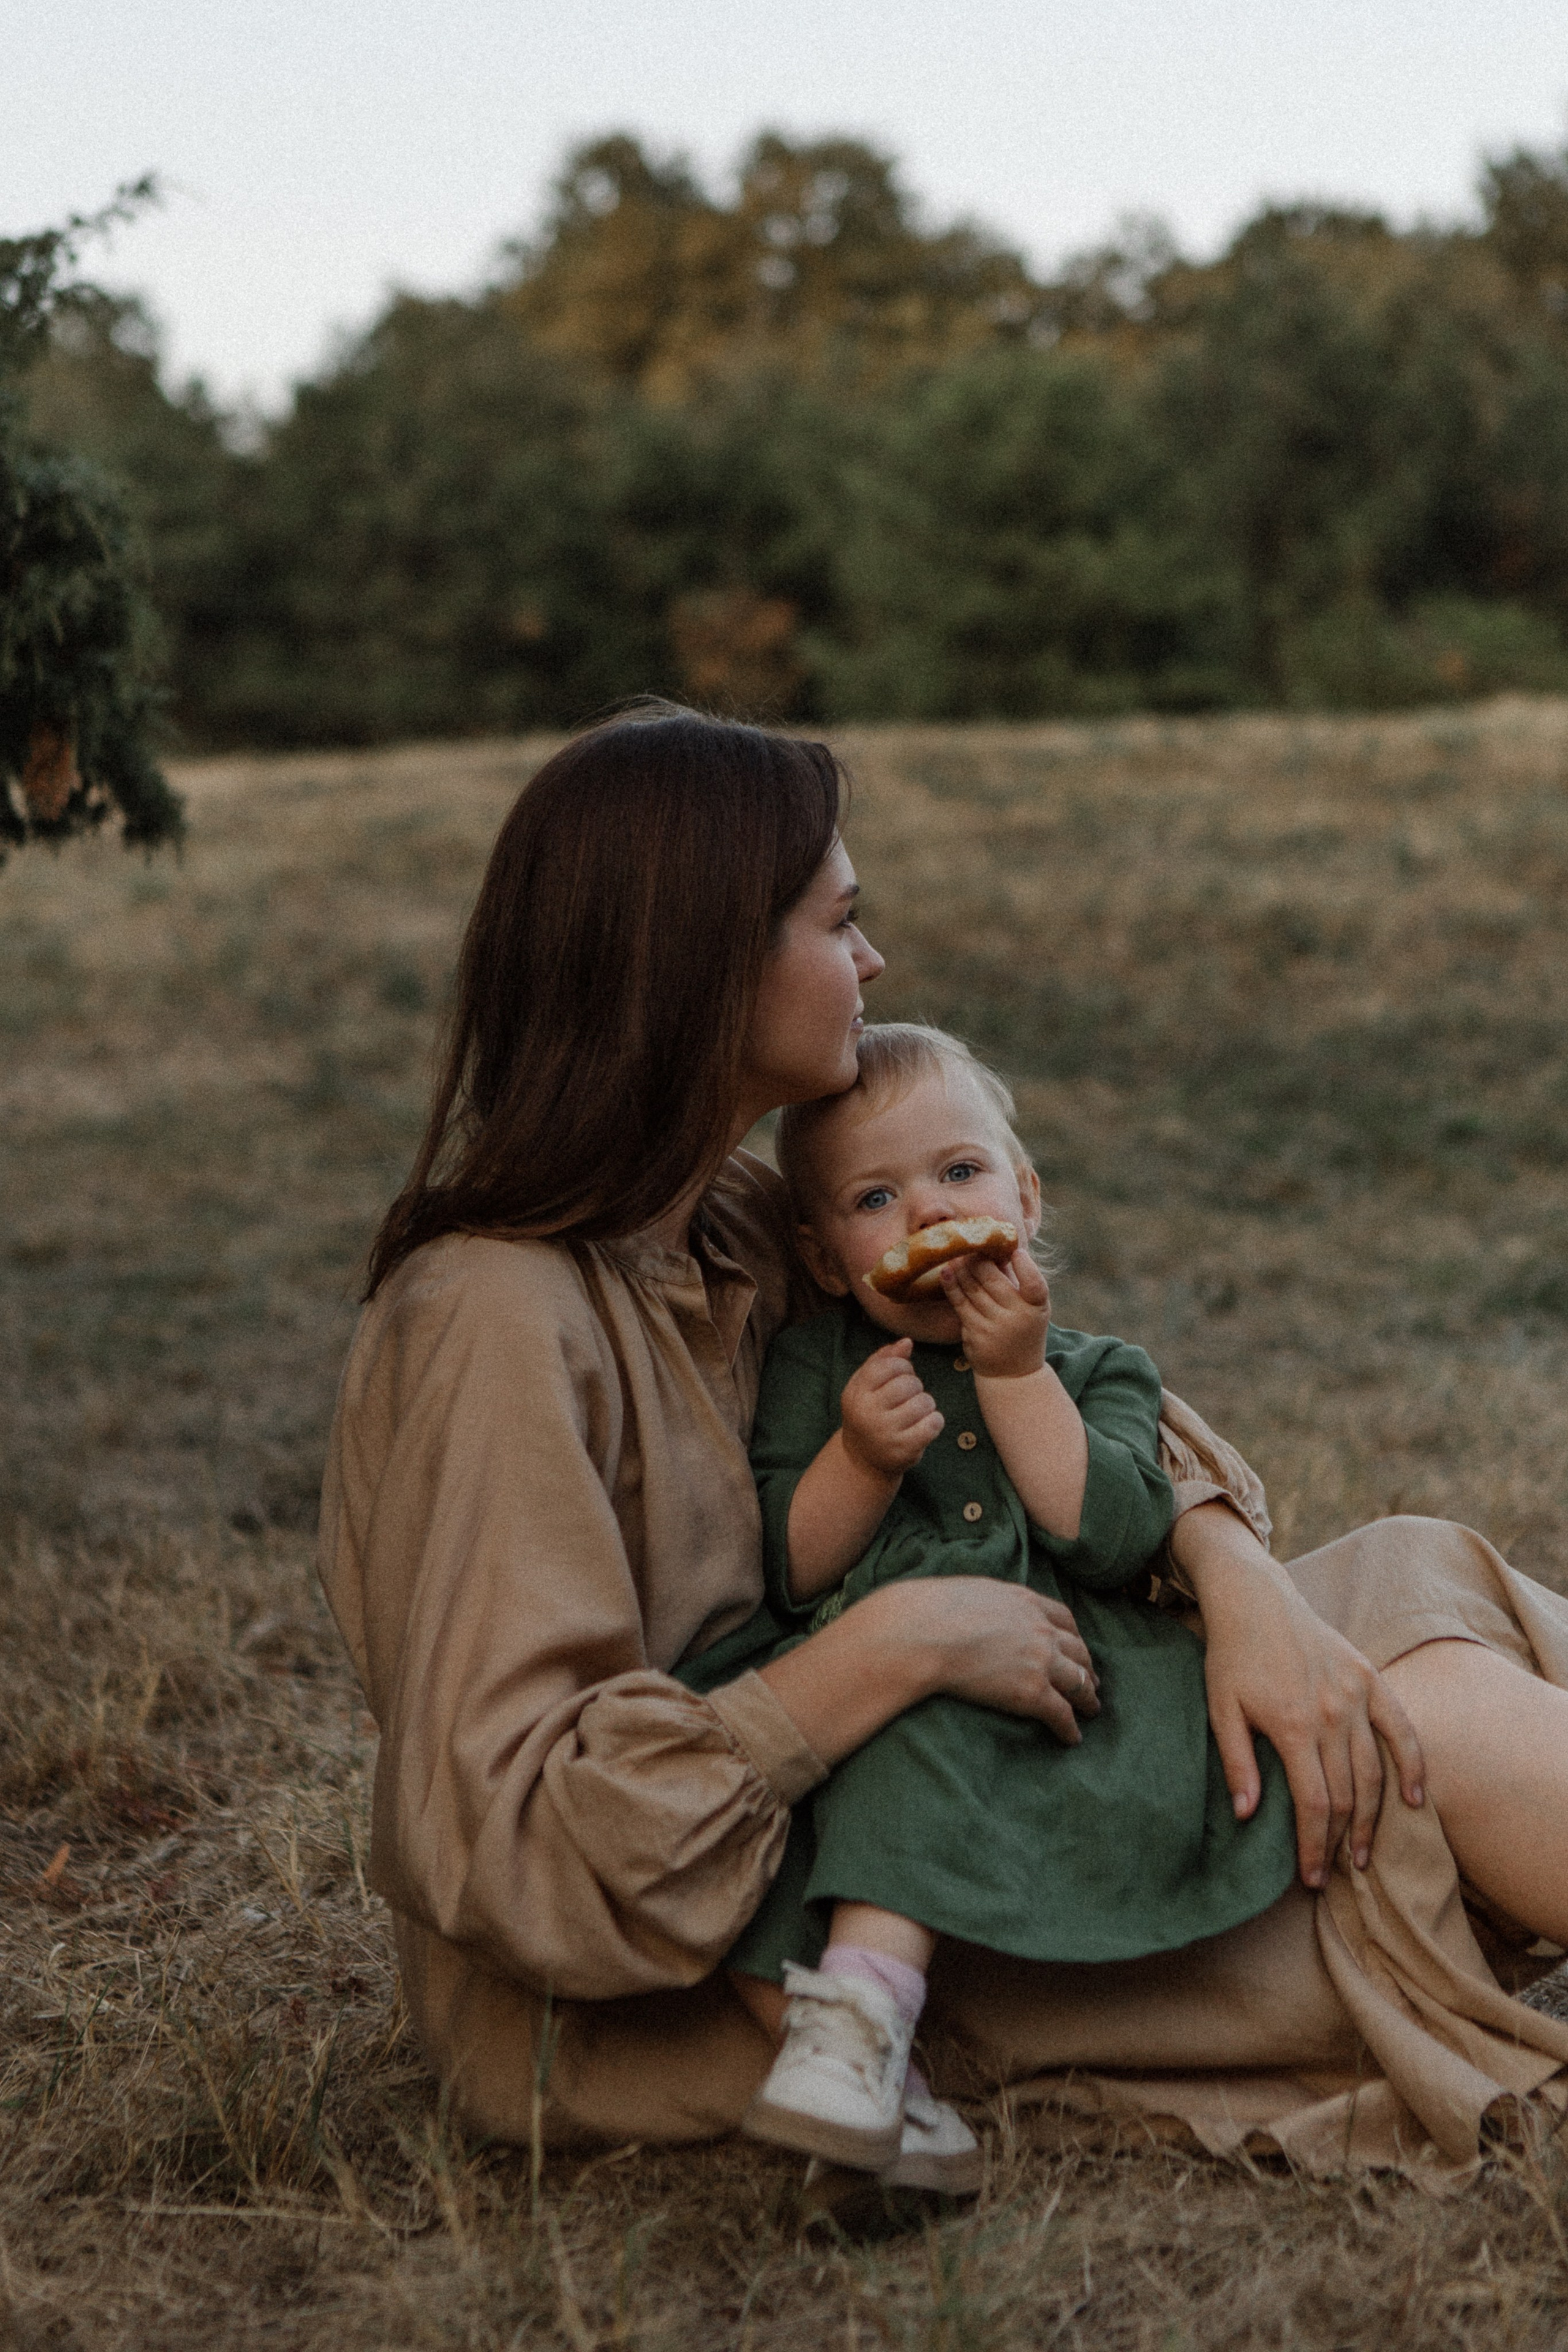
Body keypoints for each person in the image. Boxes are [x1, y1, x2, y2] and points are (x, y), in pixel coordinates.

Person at [317, 704, 1568, 2193]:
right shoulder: (492, 1318)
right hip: (748, 1937)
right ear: (705, 963)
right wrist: (893, 1647)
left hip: (929, 1770)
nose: (873, 964)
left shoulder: (731, 1229)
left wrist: (1238, 1586)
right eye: (839, 923)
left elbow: (1040, 1394)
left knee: (1396, 1586)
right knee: (1428, 1739)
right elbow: (509, 1840)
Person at [684, 1024, 1299, 2184]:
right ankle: (881, 2095)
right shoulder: (821, 1374)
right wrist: (858, 1463)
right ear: (823, 1261)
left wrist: (1016, 1379)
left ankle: (859, 2037)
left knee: (950, 1734)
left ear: (1023, 1193)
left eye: (959, 1175)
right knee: (764, 1838)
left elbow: (1114, 1539)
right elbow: (792, 1569)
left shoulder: (1097, 1369)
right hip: (881, 1675)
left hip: (1055, 1675)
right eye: (877, 1197)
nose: (928, 1214)